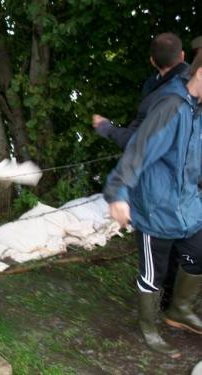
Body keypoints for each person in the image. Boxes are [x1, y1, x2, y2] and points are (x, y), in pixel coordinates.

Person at [103, 51, 202, 357]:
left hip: (188, 206)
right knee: (152, 274)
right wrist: (118, 193)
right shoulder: (170, 107)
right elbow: (138, 151)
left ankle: (180, 311)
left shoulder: (197, 109)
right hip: (156, 208)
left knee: (198, 254)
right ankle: (149, 329)